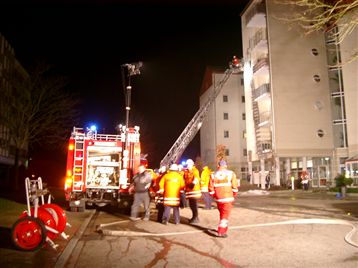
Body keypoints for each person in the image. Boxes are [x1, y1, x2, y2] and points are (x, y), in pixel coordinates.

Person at [209, 160, 238, 238]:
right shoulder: (231, 173)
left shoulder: (212, 174)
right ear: (226, 165)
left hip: (218, 198)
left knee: (222, 213)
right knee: (225, 215)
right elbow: (235, 186)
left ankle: (223, 229)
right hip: (228, 197)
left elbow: (211, 189)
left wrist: (215, 195)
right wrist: (234, 193)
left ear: (218, 165)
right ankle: (221, 232)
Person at [183, 159, 202, 224]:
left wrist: (193, 183)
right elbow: (185, 180)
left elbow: (196, 178)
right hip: (189, 191)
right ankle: (194, 217)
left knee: (194, 205)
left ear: (192, 164)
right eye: (187, 165)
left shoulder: (195, 171)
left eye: (189, 164)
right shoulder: (186, 171)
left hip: (194, 191)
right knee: (191, 205)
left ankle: (195, 218)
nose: (187, 166)